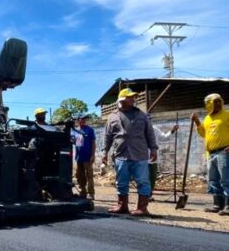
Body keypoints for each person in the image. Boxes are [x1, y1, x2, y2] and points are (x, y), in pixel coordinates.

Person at [101, 88, 157, 216]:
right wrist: (105, 152)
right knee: (121, 182)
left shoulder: (142, 115)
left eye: (133, 97)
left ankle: (142, 208)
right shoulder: (112, 117)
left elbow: (150, 133)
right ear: (121, 100)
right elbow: (107, 136)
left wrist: (153, 149)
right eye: (129, 97)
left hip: (139, 154)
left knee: (143, 181)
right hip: (121, 154)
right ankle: (122, 206)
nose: (133, 99)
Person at [191, 93, 229, 216]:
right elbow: (203, 133)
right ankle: (218, 205)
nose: (217, 104)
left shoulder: (228, 115)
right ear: (208, 104)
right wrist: (196, 121)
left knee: (226, 180)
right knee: (213, 180)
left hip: (224, 153)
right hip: (211, 154)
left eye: (219, 101)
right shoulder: (207, 118)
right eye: (214, 102)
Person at [148, 123, 179, 201]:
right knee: (144, 178)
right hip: (142, 157)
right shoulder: (140, 129)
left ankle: (149, 195)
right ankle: (144, 195)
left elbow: (163, 137)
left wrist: (172, 130)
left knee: (152, 177)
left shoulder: (154, 129)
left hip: (153, 157)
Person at [71, 114, 96, 200]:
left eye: (85, 119)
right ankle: (83, 192)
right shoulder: (75, 130)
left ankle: (91, 193)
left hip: (88, 157)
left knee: (89, 175)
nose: (83, 120)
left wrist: (93, 155)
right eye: (82, 119)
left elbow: (93, 144)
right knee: (79, 176)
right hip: (79, 157)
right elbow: (74, 142)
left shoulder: (90, 130)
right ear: (78, 120)